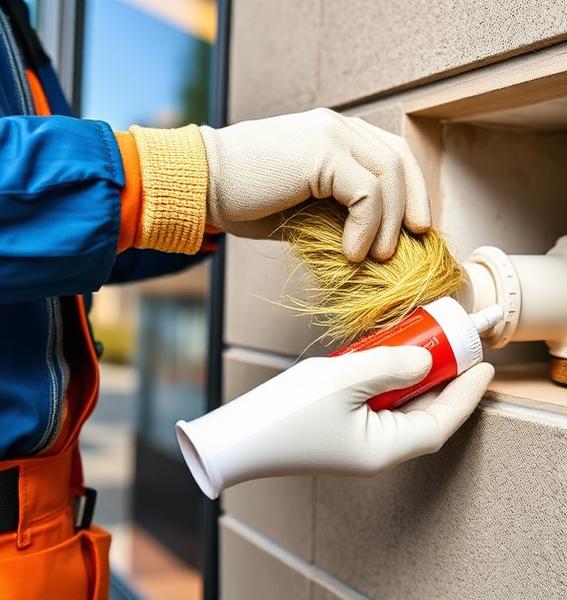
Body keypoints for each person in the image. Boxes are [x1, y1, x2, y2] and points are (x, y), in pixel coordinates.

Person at [0, 1, 494, 598]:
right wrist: (185, 175)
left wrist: (214, 208)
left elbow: (50, 255)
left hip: (51, 545)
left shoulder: (16, 21)